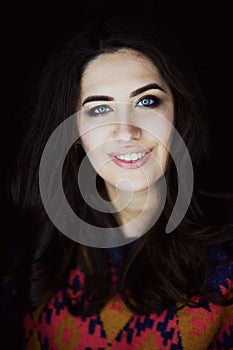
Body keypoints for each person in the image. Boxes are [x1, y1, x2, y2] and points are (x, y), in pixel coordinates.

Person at [3, 14, 233, 350]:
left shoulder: (226, 259)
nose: (127, 132)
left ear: (179, 111)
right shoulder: (34, 249)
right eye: (99, 109)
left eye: (147, 101)